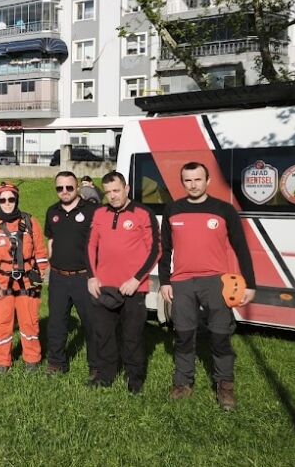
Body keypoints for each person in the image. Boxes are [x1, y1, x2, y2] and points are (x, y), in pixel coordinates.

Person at [160, 162, 256, 411]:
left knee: (220, 335)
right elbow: (165, 250)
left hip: (216, 282)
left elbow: (241, 248)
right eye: (188, 180)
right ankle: (183, 382)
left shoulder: (224, 210)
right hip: (181, 282)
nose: (193, 185)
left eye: (198, 180)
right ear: (182, 182)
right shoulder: (172, 209)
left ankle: (225, 386)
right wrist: (164, 281)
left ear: (208, 181)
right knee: (183, 335)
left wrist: (250, 284)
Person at [86, 171, 159, 394]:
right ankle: (106, 376)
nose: (112, 196)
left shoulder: (143, 213)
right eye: (107, 192)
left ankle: (134, 379)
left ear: (126, 189)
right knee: (104, 334)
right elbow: (90, 246)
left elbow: (156, 250)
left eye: (116, 190)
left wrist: (137, 280)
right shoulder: (99, 213)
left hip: (133, 288)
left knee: (132, 336)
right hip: (104, 286)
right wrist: (92, 276)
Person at [0, 182, 49, 371]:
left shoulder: (30, 222)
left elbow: (40, 251)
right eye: (3, 199)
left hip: (27, 280)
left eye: (11, 199)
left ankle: (32, 359)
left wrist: (40, 273)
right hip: (1, 281)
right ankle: (2, 362)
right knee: (2, 323)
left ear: (16, 200)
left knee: (30, 322)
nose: (7, 203)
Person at [45, 171, 100, 377]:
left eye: (69, 187)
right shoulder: (52, 211)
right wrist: (51, 265)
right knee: (57, 323)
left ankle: (96, 366)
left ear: (77, 187)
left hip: (84, 277)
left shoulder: (93, 210)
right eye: (60, 188)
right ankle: (56, 363)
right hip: (58, 277)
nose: (65, 191)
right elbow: (50, 240)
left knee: (92, 323)